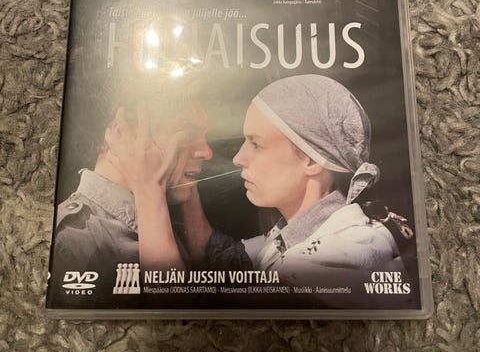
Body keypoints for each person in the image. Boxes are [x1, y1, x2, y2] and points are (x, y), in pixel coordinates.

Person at [110, 75, 411, 288]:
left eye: (256, 144)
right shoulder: (293, 235)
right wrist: (187, 184)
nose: (238, 158)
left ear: (311, 160)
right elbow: (221, 256)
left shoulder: (347, 253)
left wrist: (148, 191)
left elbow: (184, 323)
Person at [50, 87, 213, 298]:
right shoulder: (73, 240)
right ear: (121, 133)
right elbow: (173, 316)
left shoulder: (166, 214)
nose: (207, 152)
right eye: (186, 134)